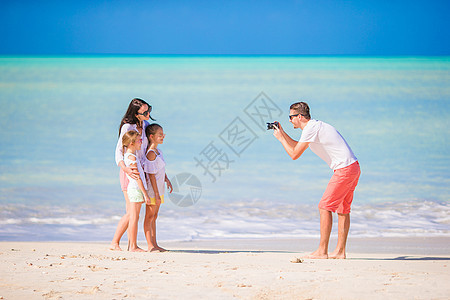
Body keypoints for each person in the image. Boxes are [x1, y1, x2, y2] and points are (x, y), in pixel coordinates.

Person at [273, 101, 361, 259]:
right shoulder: (313, 127)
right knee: (342, 209)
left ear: (300, 116)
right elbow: (297, 146)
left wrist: (280, 139)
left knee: (324, 207)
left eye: (291, 117)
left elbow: (294, 154)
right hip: (352, 167)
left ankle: (322, 251)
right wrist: (282, 133)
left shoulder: (311, 128)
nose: (290, 120)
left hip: (344, 170)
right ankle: (340, 252)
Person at [110, 98, 154, 251]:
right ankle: (122, 244)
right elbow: (119, 151)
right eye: (145, 112)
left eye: (150, 110)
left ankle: (123, 244)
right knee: (132, 212)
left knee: (133, 212)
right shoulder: (127, 127)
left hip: (141, 172)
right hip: (129, 172)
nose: (149, 114)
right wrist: (126, 169)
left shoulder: (146, 125)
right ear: (136, 114)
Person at [143, 123, 173, 252]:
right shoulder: (150, 153)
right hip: (153, 190)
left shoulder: (158, 151)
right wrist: (155, 193)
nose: (163, 137)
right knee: (149, 217)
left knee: (155, 216)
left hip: (160, 188)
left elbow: (159, 169)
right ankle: (150, 245)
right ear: (151, 136)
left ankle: (155, 244)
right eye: (160, 135)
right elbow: (151, 175)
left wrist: (167, 179)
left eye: (163, 134)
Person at [121, 130, 151, 252]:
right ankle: (133, 246)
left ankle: (133, 245)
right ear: (131, 143)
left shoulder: (130, 156)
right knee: (134, 217)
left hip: (135, 189)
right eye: (139, 140)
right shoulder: (131, 157)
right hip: (135, 189)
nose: (141, 142)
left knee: (135, 217)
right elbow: (137, 177)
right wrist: (145, 194)